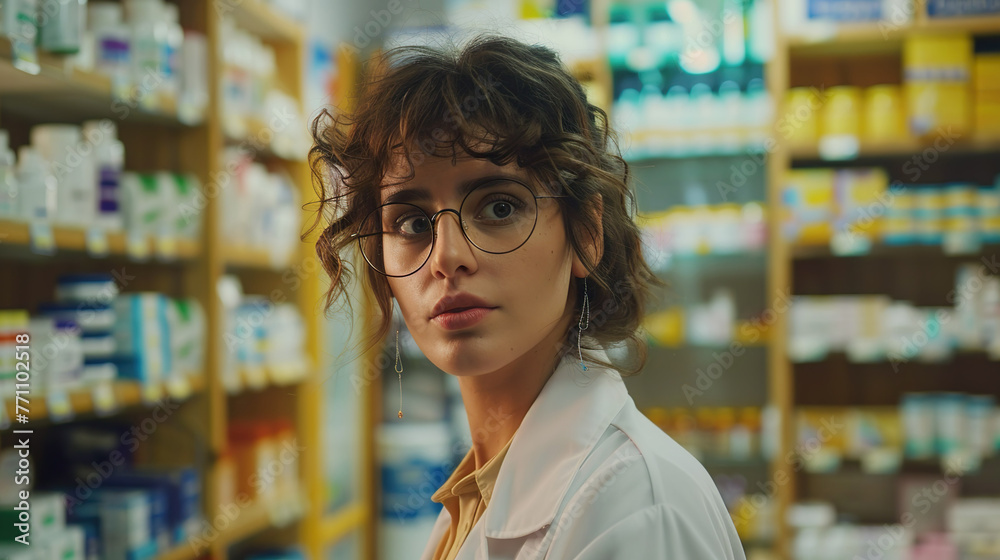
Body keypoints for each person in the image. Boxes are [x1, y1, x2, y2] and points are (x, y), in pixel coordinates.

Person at [308, 34, 746, 560]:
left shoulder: (639, 511)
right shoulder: (476, 489)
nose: (447, 256)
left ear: (585, 233)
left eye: (497, 208)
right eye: (413, 222)